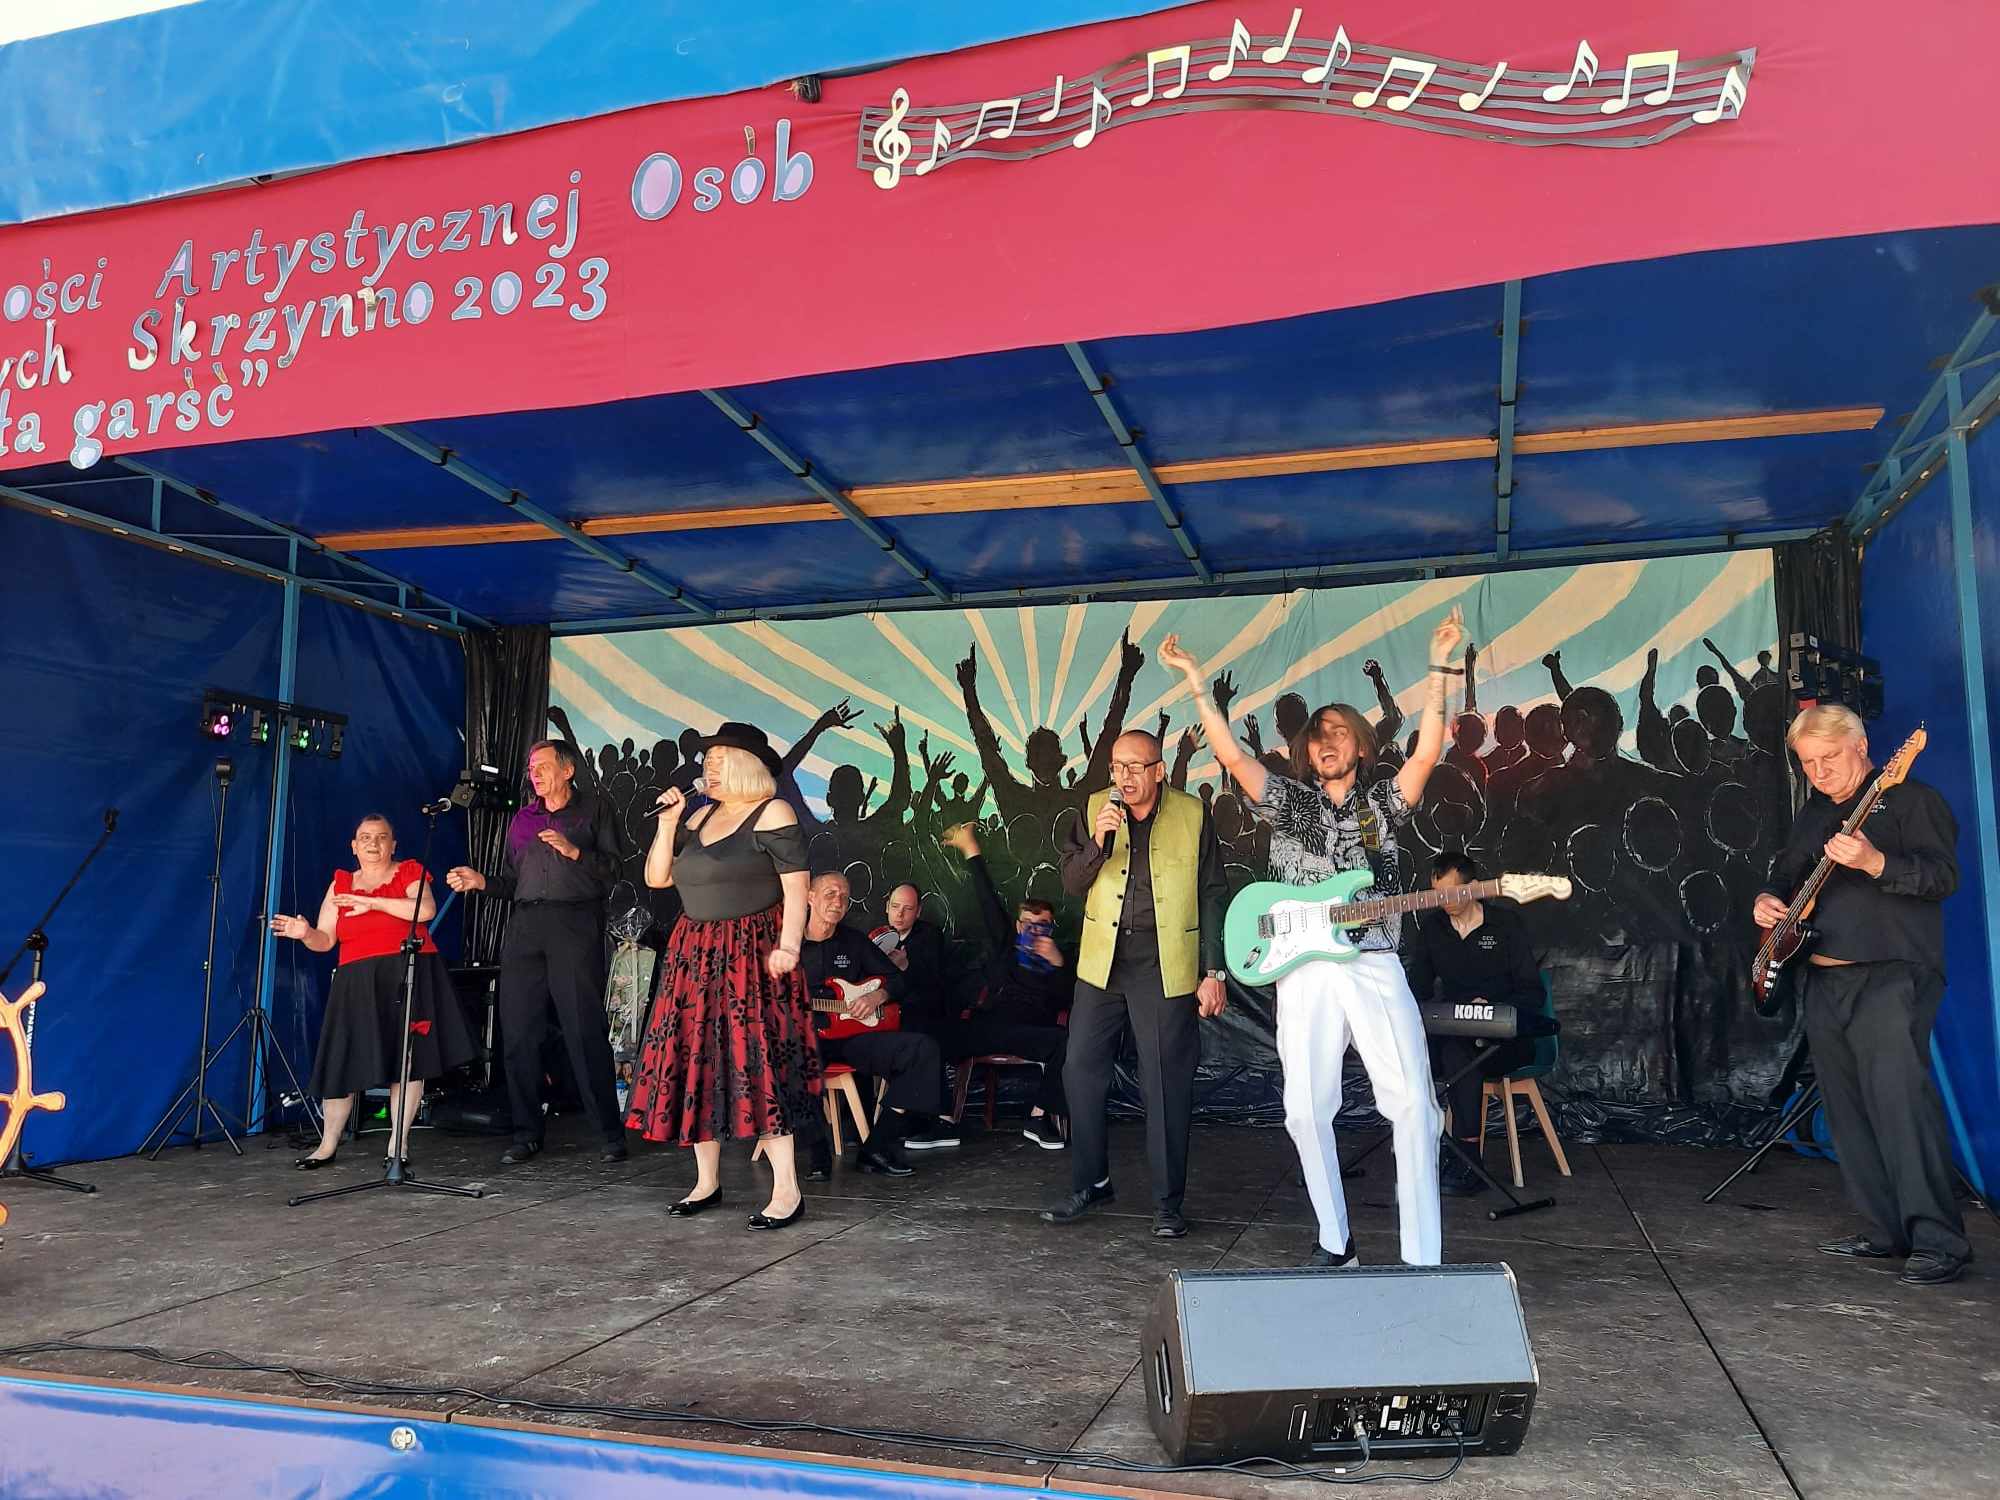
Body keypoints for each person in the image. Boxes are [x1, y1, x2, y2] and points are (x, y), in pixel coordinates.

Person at [1164, 606, 1464, 1269]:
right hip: (1302, 970)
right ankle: (1336, 1241)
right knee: (1303, 1112)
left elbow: (1427, 751)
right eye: (1317, 735)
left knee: (1413, 1105)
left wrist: (1439, 666)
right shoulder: (1290, 804)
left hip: (1373, 961)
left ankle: (1422, 1258)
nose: (1326, 741)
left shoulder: (1382, 805)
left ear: (1361, 746)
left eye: (1338, 731)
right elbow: (1230, 755)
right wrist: (1195, 682)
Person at [1753, 705, 1969, 1286]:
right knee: (1846, 1110)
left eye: (1829, 758)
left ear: (1862, 746)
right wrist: (1767, 900)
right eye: (1808, 763)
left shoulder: (1912, 800)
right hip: (1825, 977)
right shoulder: (1814, 812)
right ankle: (1884, 1230)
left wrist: (1876, 862)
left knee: (1900, 1104)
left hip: (1892, 973)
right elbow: (1785, 873)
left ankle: (1939, 1241)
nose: (1820, 772)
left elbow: (1943, 878)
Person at [624, 722, 817, 1228]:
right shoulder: (700, 815)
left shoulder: (772, 812)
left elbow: (797, 887)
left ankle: (787, 1190)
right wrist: (668, 824)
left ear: (745, 764)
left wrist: (789, 945)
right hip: (694, 953)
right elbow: (657, 878)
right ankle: (706, 1182)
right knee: (696, 1062)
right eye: (706, 760)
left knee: (758, 1064)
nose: (707, 766)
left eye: (718, 758)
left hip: (750, 953)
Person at [1043, 728, 1228, 1239]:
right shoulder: (1093, 809)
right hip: (1103, 961)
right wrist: (1098, 842)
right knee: (1080, 1068)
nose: (1123, 777)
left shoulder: (1193, 814)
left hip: (1164, 961)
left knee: (1165, 1081)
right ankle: (1091, 1182)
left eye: (1134, 767)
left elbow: (1213, 893)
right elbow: (1072, 883)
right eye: (1116, 767)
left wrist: (1213, 971)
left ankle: (1167, 1204)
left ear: (1159, 770)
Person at [446, 740, 628, 1165]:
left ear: (567, 770)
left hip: (575, 922)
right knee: (519, 1031)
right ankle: (526, 1132)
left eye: (543, 766)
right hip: (526, 925)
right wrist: (481, 882)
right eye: (531, 768)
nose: (535, 774)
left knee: (583, 1027)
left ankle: (609, 1133)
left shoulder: (594, 810)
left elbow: (614, 872)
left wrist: (574, 851)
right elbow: (513, 882)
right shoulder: (523, 819)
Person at [272, 814, 477, 1171]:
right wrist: (304, 933)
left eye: (381, 837)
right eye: (365, 837)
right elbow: (325, 940)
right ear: (354, 846)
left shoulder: (409, 871)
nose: (373, 843)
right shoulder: (340, 884)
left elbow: (424, 910)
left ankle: (398, 1143)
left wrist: (374, 902)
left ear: (393, 845)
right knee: (342, 1059)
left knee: (407, 1062)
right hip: (357, 980)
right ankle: (327, 1144)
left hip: (408, 972)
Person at [1402, 851, 1542, 1197]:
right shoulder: (1433, 928)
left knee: (1458, 1053)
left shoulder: (1506, 925)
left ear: (1475, 887)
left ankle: (1468, 1160)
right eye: (1437, 894)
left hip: (1504, 1041)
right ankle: (1419, 1148)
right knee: (1420, 1051)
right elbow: (1417, 988)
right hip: (1455, 1032)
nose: (1444, 901)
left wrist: (1492, 1007)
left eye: (1451, 893)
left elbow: (1532, 993)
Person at [797, 872, 956, 1174]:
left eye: (844, 896)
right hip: (804, 1037)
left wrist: (877, 996)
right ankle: (818, 1154)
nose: (838, 902)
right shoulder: (788, 943)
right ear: (810, 897)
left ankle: (877, 1147)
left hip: (852, 1038)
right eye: (830, 894)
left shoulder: (854, 941)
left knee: (922, 1049)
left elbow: (898, 980)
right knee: (793, 1058)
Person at [941, 821, 1072, 1149]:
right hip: (991, 1025)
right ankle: (940, 1121)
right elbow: (987, 899)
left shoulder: (1060, 958)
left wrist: (1057, 965)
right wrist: (970, 848)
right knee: (933, 1032)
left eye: (1043, 925)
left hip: (1031, 1031)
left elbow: (1068, 1001)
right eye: (1028, 924)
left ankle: (1039, 1117)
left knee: (1071, 1042)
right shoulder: (1006, 944)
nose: (1035, 931)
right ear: (1017, 926)